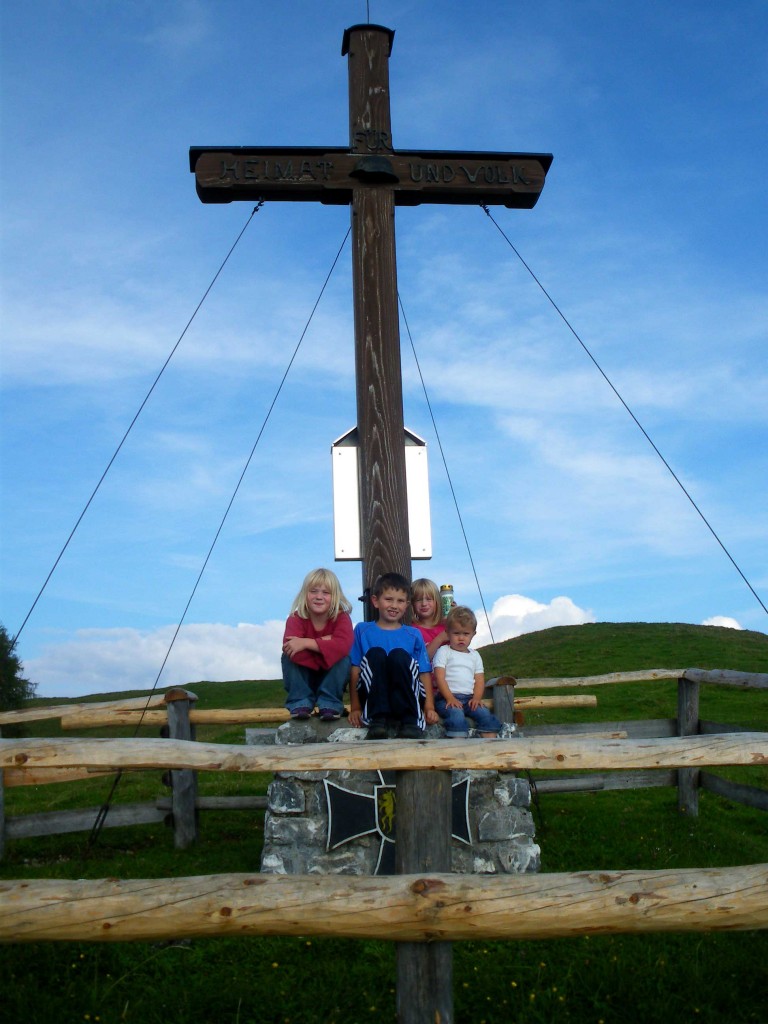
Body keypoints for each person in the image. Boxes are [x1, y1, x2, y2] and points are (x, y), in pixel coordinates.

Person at [348, 572, 439, 740]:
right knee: (376, 654)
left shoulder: (413, 634)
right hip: (373, 700)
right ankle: (378, 720)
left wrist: (429, 707)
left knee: (398, 656)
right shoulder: (362, 630)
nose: (394, 605)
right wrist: (355, 707)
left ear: (407, 605)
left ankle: (410, 720)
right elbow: (355, 670)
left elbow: (424, 672)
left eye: (400, 601)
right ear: (375, 601)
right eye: (388, 599)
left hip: (407, 696)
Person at [282, 568, 353, 721]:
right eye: (313, 591)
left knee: (344, 658)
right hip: (304, 677)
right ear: (305, 594)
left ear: (335, 597)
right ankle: (300, 702)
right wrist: (327, 643)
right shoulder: (296, 618)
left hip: (332, 677)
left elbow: (344, 645)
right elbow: (290, 646)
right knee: (289, 656)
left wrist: (307, 643)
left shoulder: (342, 618)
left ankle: (330, 703)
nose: (319, 597)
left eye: (326, 593)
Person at [433, 605, 502, 738]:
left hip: (470, 698)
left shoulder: (475, 655)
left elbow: (479, 680)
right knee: (456, 715)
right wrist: (450, 698)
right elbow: (440, 677)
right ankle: (458, 745)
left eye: (466, 634)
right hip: (447, 697)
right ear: (447, 633)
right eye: (456, 633)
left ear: (473, 634)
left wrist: (477, 698)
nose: (461, 638)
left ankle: (490, 744)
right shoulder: (444, 651)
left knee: (484, 713)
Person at [410, 577, 450, 660]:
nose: (424, 603)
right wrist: (440, 638)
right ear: (412, 603)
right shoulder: (411, 630)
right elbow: (422, 660)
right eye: (418, 600)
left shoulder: (446, 627)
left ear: (437, 601)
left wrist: (456, 617)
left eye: (429, 599)